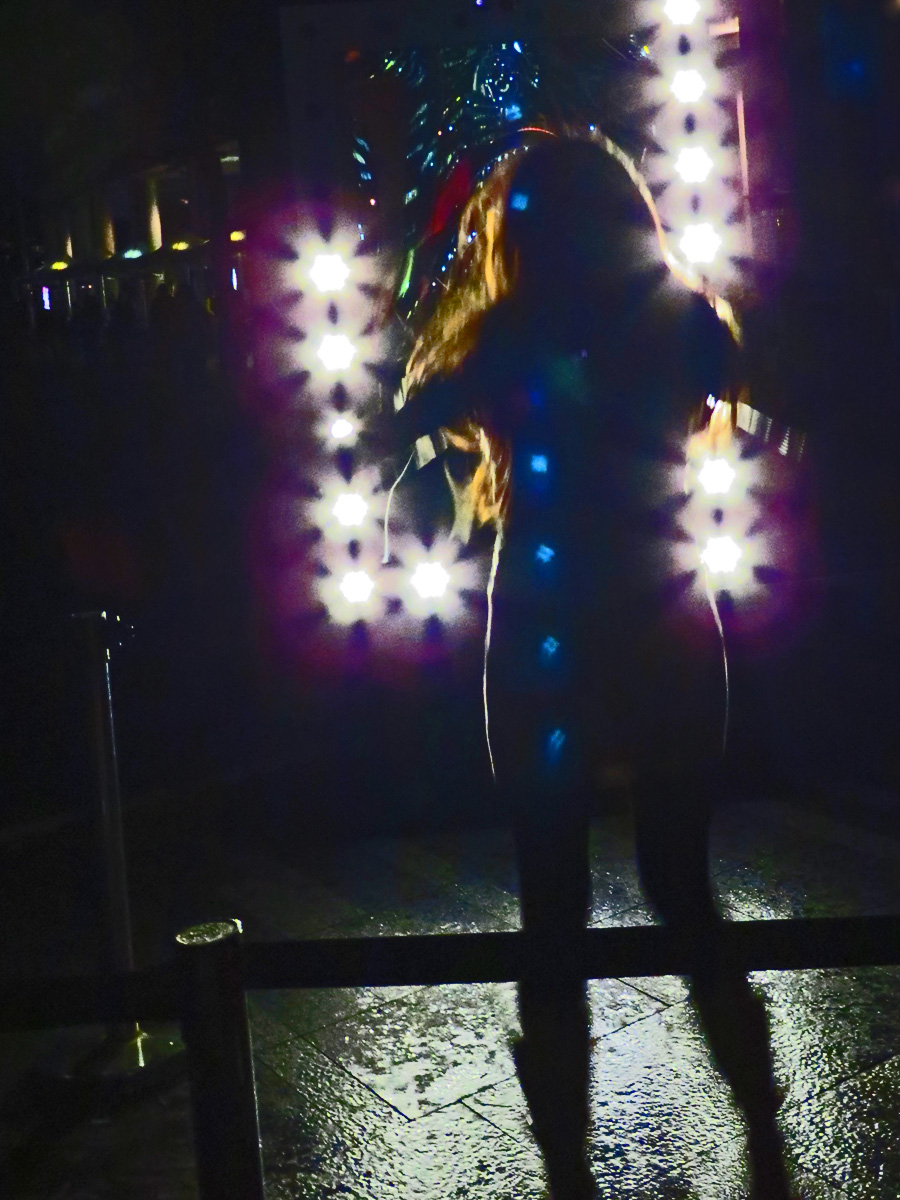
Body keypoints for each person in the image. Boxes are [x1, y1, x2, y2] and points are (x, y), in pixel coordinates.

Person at [389, 130, 793, 1200]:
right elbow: (756, 413)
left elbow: (410, 430)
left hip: (543, 627)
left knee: (551, 908)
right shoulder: (682, 321)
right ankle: (762, 1130)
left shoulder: (511, 335)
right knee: (681, 885)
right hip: (659, 613)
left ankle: (570, 1165)